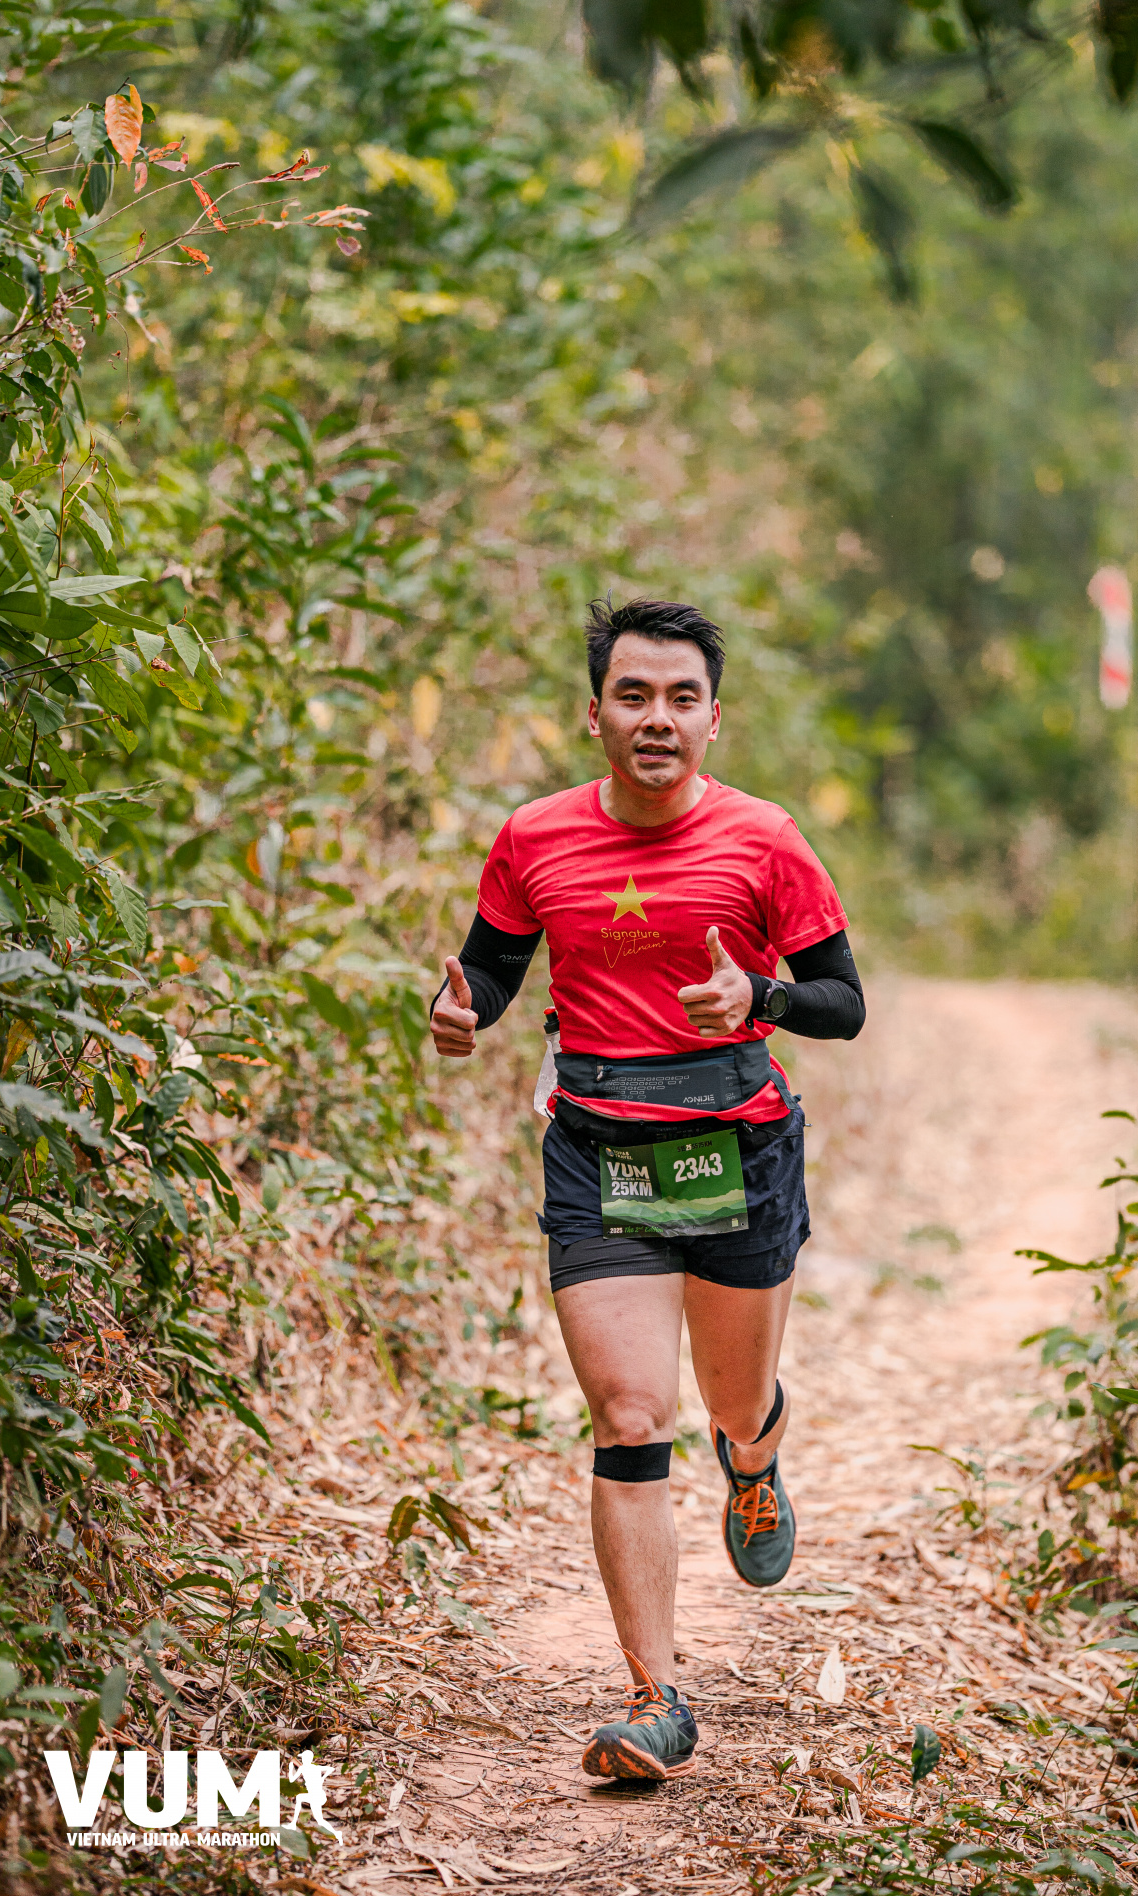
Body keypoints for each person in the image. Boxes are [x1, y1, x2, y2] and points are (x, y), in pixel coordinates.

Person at [429, 597, 865, 1784]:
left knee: (732, 1399)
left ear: (716, 719)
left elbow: (843, 1001)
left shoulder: (765, 839)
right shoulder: (535, 837)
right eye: (634, 694)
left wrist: (761, 998)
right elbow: (493, 967)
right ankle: (654, 1696)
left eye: (681, 697)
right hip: (599, 1150)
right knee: (630, 1413)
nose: (657, 717)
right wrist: (464, 1009)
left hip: (737, 1146)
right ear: (596, 714)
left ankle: (752, 1459)